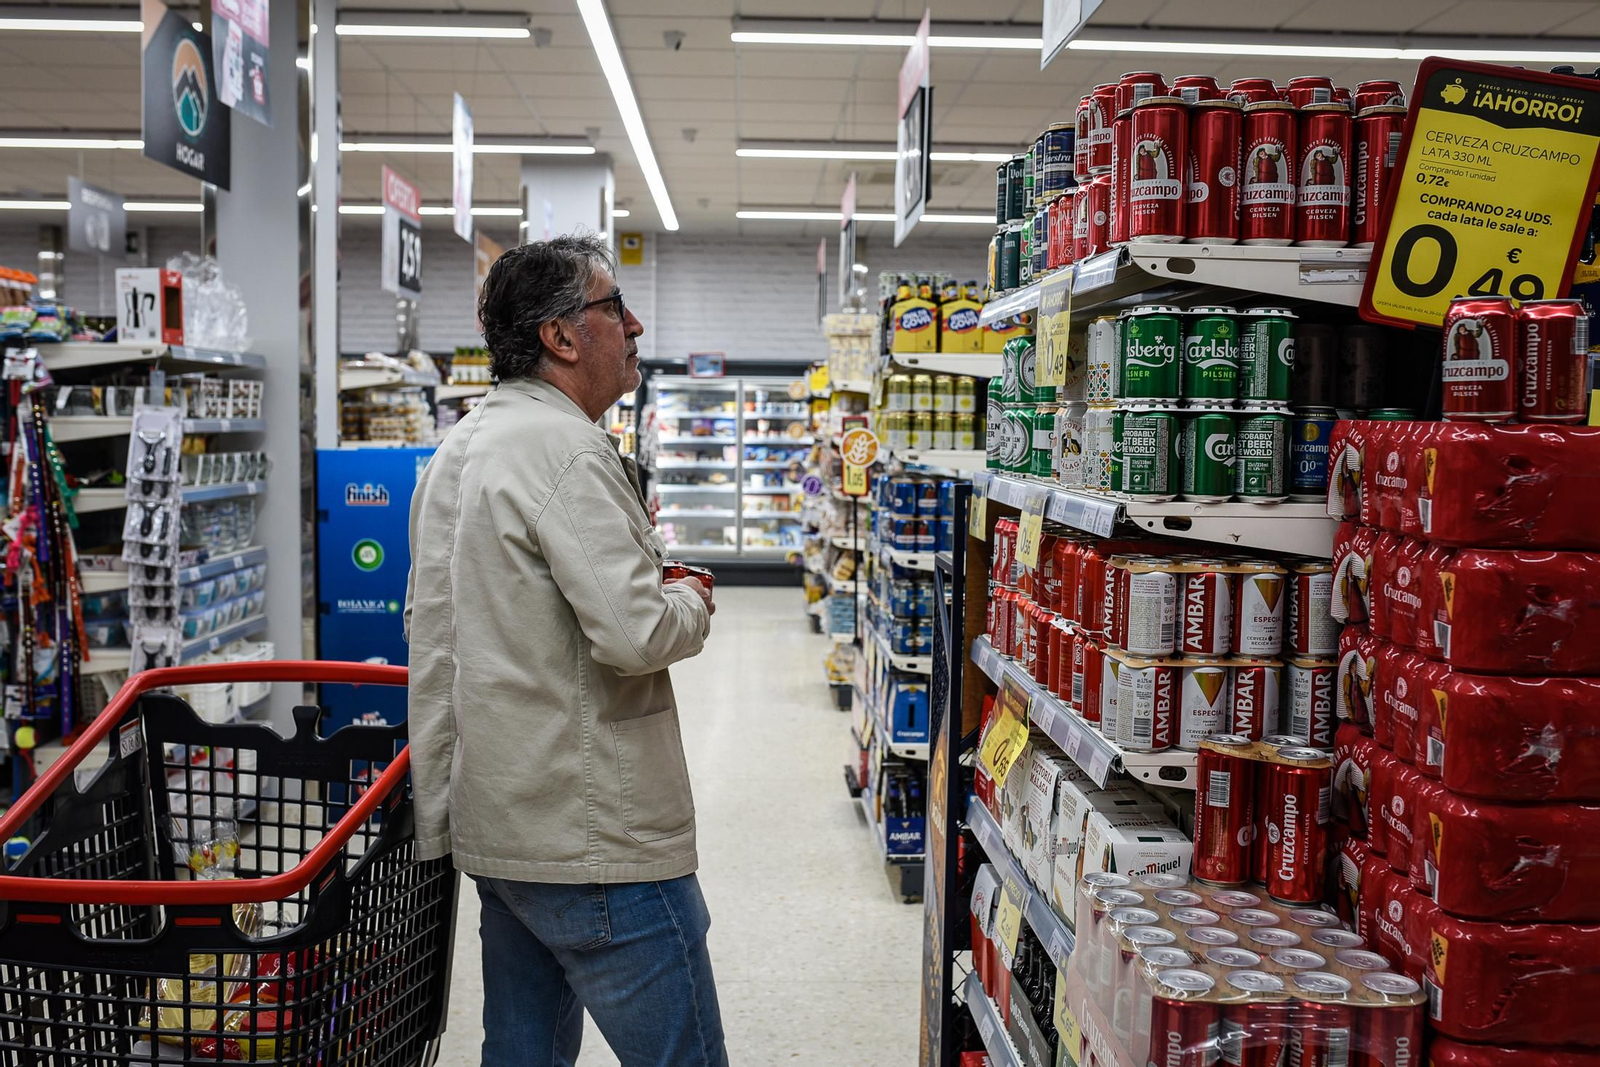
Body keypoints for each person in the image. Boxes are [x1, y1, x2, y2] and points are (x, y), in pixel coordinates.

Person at [405, 234, 726, 1067]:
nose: (636, 325)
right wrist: (689, 596)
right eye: (616, 306)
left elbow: (433, 635)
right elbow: (638, 633)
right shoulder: (567, 451)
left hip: (502, 829)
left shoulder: (459, 450)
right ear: (561, 335)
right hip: (597, 845)